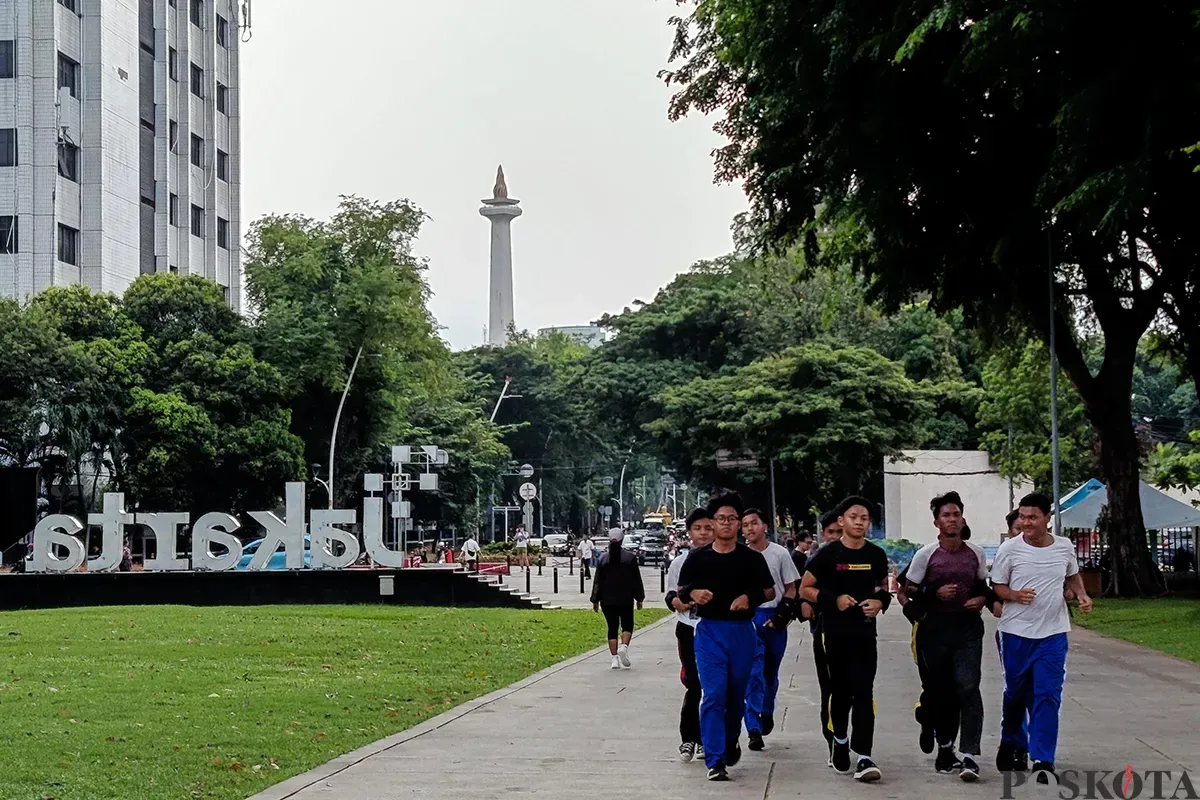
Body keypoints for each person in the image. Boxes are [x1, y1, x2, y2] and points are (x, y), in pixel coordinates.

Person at [991, 492, 1092, 785]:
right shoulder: (1010, 549)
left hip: (1053, 633)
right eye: (1022, 517)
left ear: (1048, 518)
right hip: (1015, 633)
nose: (1026, 523)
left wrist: (1082, 595)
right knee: (1016, 694)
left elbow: (1072, 576)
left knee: (1047, 694)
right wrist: (1014, 595)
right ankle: (1012, 740)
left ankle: (1043, 758)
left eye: (1033, 517)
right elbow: (997, 585)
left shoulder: (1064, 547)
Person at [677, 491, 775, 781]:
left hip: (742, 632)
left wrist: (750, 596)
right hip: (709, 633)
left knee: (735, 696)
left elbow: (769, 591)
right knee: (714, 693)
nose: (727, 524)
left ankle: (731, 737)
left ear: (739, 524)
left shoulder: (751, 559)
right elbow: (680, 592)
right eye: (721, 519)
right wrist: (692, 593)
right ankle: (715, 759)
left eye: (733, 519)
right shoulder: (697, 558)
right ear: (713, 522)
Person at [901, 492, 998, 782]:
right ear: (937, 522)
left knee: (968, 687)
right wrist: (934, 595)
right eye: (946, 515)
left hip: (967, 628)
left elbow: (983, 585)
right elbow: (907, 590)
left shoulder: (976, 554)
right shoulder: (926, 555)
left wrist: (982, 599)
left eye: (956, 514)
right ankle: (945, 747)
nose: (952, 520)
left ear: (963, 519)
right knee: (941, 691)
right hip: (935, 629)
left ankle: (969, 754)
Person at [800, 496, 890, 783]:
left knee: (864, 691)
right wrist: (832, 599)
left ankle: (864, 755)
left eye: (864, 517)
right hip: (834, 632)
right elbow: (805, 589)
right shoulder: (827, 555)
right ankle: (839, 740)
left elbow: (883, 589)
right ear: (841, 521)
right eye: (854, 516)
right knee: (840, 692)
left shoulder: (876, 555)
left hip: (865, 632)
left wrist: (880, 602)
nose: (859, 522)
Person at [741, 507, 801, 751]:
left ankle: (766, 710)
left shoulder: (779, 554)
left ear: (764, 525)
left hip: (773, 618)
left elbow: (791, 588)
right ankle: (752, 726)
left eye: (754, 523)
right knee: (752, 674)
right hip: (749, 619)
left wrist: (781, 615)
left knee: (769, 674)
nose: (750, 529)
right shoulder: (739, 556)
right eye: (745, 525)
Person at [664, 508, 716, 762]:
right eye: (698, 529)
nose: (704, 533)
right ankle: (689, 739)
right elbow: (671, 595)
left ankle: (710, 738)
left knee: (714, 687)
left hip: (717, 630)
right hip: (688, 629)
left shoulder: (723, 560)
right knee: (694, 685)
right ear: (690, 532)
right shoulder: (678, 563)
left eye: (708, 528)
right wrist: (677, 602)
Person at [802, 510, 842, 761]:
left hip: (859, 633)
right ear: (823, 534)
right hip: (826, 632)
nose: (836, 537)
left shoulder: (864, 557)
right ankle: (833, 743)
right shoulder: (819, 560)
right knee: (829, 689)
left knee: (858, 690)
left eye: (840, 531)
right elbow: (804, 590)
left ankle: (859, 745)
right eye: (831, 533)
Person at [590, 529, 645, 669]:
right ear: (622, 540)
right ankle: (624, 647)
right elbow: (636, 580)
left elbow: (598, 581)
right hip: (625, 598)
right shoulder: (630, 558)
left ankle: (614, 658)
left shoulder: (603, 559)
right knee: (627, 625)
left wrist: (595, 600)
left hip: (607, 601)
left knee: (612, 628)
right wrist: (639, 598)